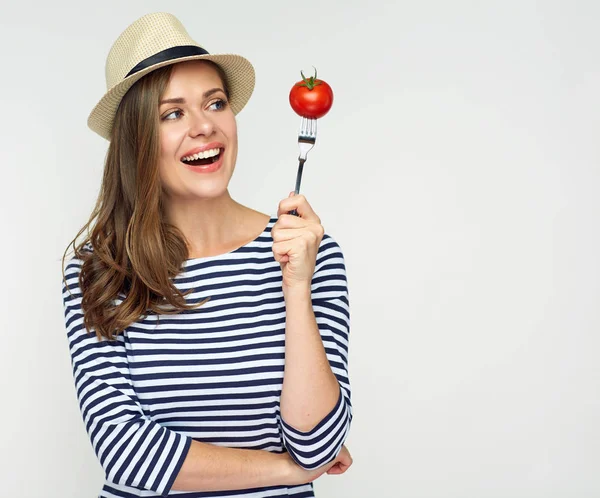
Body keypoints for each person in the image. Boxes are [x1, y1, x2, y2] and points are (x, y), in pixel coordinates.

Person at [61, 12, 352, 498]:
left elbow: (317, 445)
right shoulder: (101, 271)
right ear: (137, 141)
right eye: (172, 113)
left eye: (214, 103)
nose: (203, 128)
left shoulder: (308, 253)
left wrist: (296, 287)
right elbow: (125, 452)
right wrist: (286, 471)